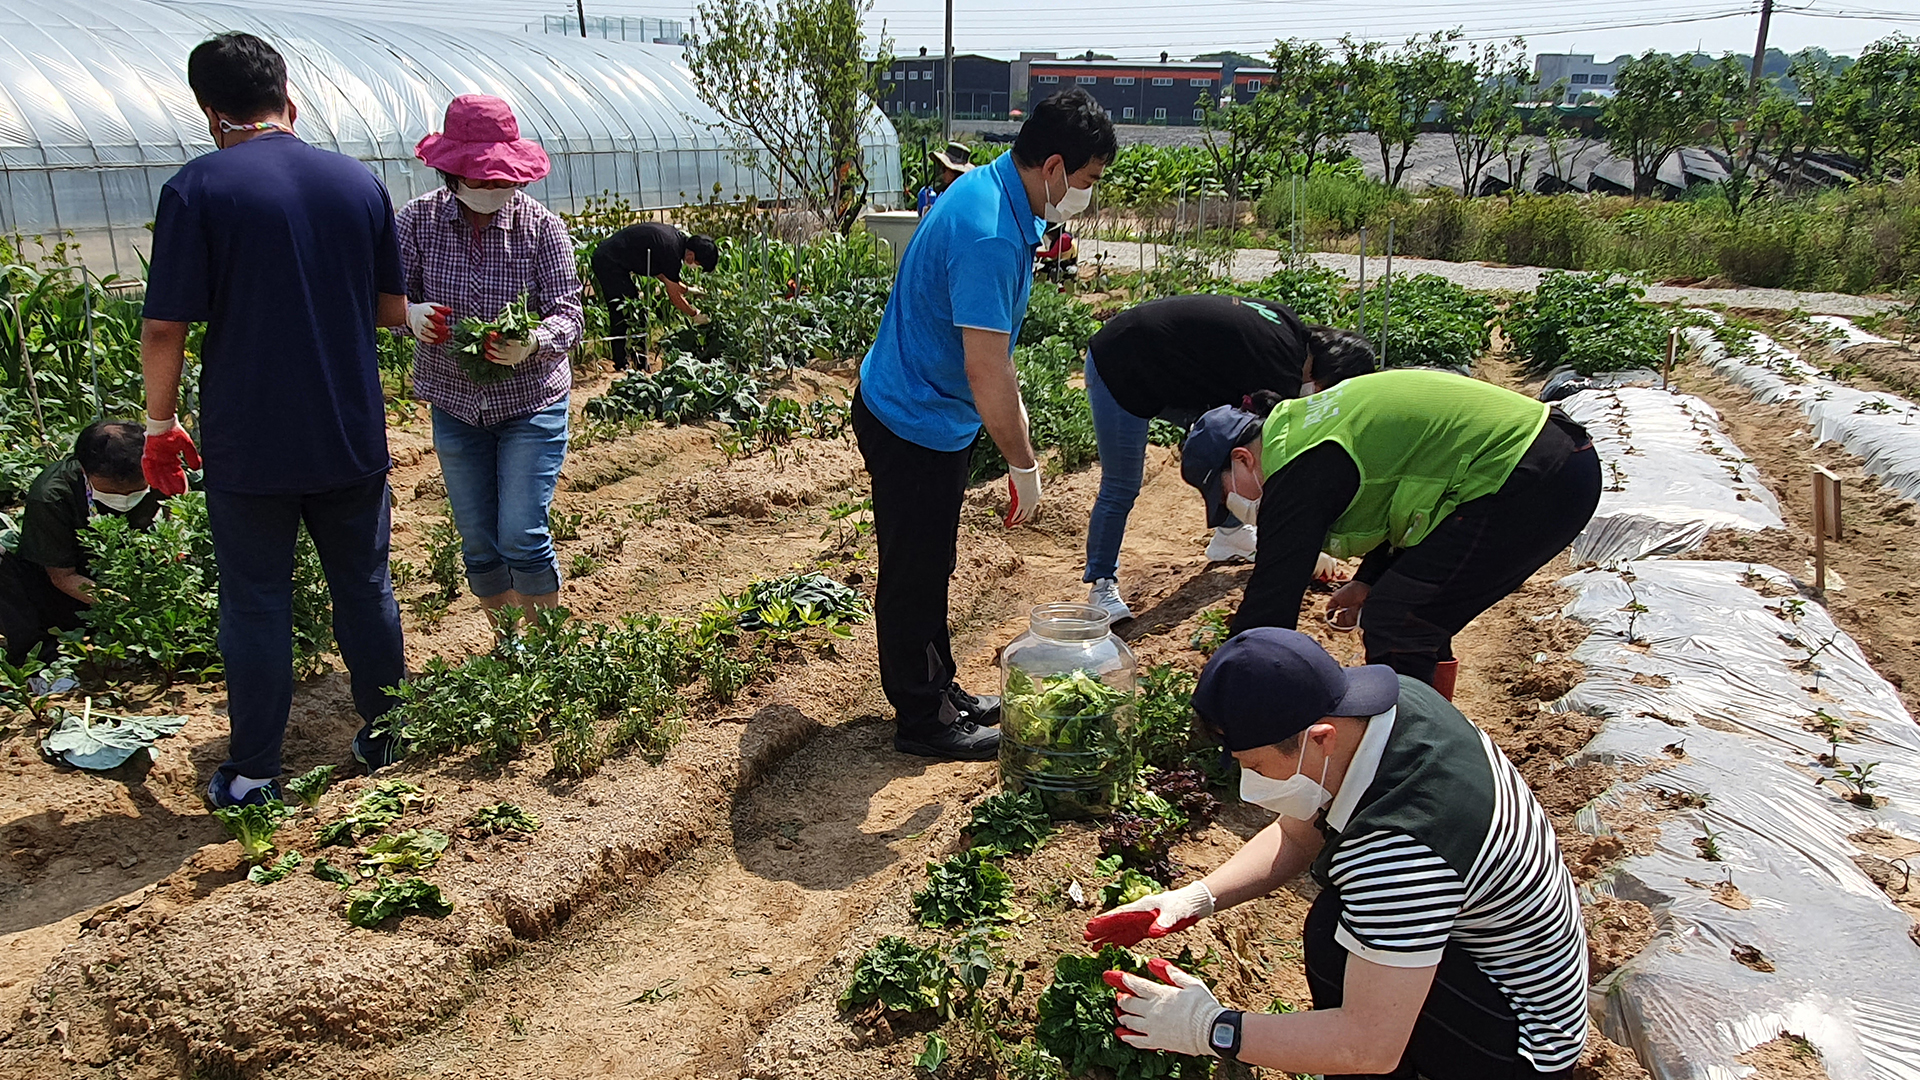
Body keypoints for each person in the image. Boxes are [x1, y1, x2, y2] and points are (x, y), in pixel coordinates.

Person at [1085, 627, 1589, 1079]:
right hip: (1502, 963)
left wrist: (1210, 1028)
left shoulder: (1397, 852)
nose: (1249, 785)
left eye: (1255, 765)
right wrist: (1196, 897)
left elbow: (1368, 1047)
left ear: (1320, 738)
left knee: (1336, 937)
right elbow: (1300, 836)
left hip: (1524, 1042)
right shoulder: (1392, 707)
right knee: (1338, 928)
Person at [140, 32, 410, 808]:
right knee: (364, 586)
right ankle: (388, 733)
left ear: (208, 109)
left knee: (257, 602)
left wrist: (160, 426)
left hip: (251, 438)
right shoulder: (357, 183)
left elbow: (164, 327)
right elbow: (390, 308)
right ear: (289, 98)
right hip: (348, 428)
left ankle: (255, 772)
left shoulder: (199, 187)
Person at [855, 88, 1116, 761]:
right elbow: (987, 369)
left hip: (926, 410)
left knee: (931, 561)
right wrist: (1023, 464)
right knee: (914, 573)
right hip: (912, 421)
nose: (1086, 194)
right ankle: (922, 719)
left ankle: (941, 690)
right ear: (1053, 167)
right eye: (1087, 179)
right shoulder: (992, 233)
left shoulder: (991, 193)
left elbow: (990, 360)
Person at [1180, 368, 1600, 697]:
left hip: (1531, 475)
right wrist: (1367, 579)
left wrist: (1226, 700)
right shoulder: (1301, 429)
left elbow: (1270, 608)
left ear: (1242, 459)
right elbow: (1400, 497)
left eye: (1225, 493)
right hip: (1553, 459)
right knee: (1417, 615)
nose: (1235, 505)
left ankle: (1411, 751)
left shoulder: (1296, 470)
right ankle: (1433, 727)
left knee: (1399, 621)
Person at [399, 95, 585, 625]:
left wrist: (534, 340)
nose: (491, 188)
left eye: (501, 178)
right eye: (479, 178)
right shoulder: (416, 222)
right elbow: (385, 299)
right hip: (455, 402)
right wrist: (409, 314)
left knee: (522, 534)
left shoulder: (541, 228)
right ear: (451, 172)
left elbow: (570, 313)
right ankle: (509, 652)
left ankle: (546, 654)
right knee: (479, 541)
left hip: (530, 401)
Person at [1082, 294, 1377, 620]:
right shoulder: (1279, 368)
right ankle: (1101, 585)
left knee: (1229, 435)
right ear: (1330, 374)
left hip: (1171, 365)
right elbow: (1281, 465)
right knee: (1122, 484)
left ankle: (1232, 534)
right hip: (1121, 362)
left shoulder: (1291, 333)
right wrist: (1306, 546)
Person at [0, 422, 161, 666]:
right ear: (85, 471)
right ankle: (40, 660)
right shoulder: (52, 496)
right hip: (67, 594)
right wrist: (124, 606)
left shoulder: (158, 474)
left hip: (140, 582)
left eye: (135, 490)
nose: (125, 497)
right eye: (114, 491)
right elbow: (62, 577)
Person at [589, 221, 717, 371]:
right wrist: (695, 314)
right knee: (626, 311)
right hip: (608, 261)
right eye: (698, 264)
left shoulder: (675, 241)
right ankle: (624, 364)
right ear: (691, 255)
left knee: (634, 311)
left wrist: (689, 290)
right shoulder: (672, 252)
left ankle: (637, 362)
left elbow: (665, 277)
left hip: (612, 259)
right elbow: (674, 296)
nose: (696, 267)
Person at [917, 141, 974, 214]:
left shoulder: (960, 198)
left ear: (954, 173)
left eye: (944, 168)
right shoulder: (946, 192)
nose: (942, 172)